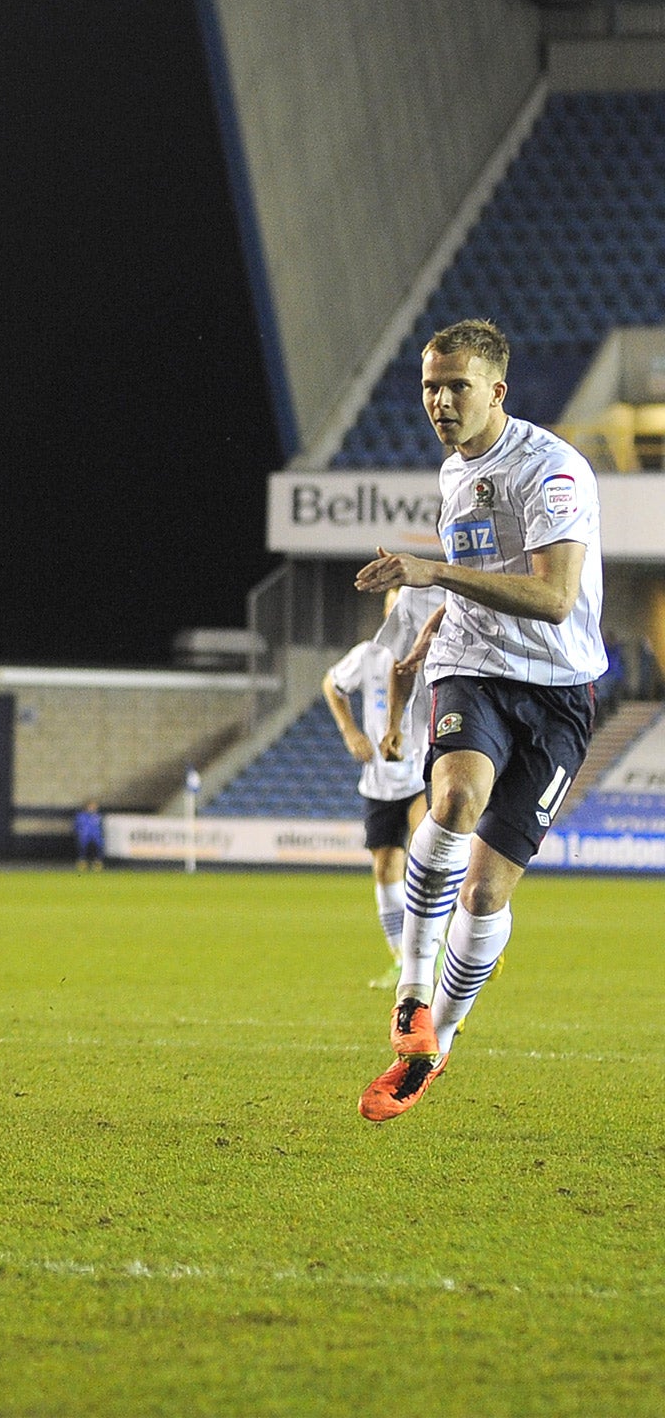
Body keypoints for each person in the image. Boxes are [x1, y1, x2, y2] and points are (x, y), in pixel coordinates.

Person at [352, 319, 606, 1122]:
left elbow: (556, 598)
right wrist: (435, 623)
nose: (439, 401)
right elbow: (480, 573)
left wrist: (434, 572)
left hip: (560, 691)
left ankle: (439, 1044)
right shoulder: (454, 469)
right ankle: (412, 993)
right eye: (430, 385)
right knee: (455, 800)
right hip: (475, 669)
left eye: (455, 386)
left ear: (497, 390)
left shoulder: (552, 472)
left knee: (488, 890)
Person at [323, 585, 443, 981]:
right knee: (386, 868)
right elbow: (333, 685)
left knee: (430, 851)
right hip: (380, 779)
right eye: (395, 610)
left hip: (421, 772)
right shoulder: (368, 655)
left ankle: (457, 942)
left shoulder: (436, 653)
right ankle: (401, 959)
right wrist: (350, 732)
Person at [74, 799, 104, 871]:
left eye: (94, 806)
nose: (93, 808)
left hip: (96, 835)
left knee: (98, 847)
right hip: (85, 835)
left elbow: (101, 826)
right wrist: (79, 833)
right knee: (83, 847)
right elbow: (77, 826)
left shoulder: (98, 816)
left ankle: (97, 863)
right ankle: (82, 862)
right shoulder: (81, 816)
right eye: (91, 806)